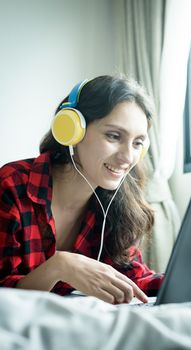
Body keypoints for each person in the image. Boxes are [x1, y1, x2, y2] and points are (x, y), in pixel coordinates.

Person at [0, 74, 164, 304]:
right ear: (71, 131)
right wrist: (60, 266)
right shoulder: (11, 185)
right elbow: (4, 295)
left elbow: (134, 278)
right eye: (114, 136)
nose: (128, 157)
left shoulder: (119, 203)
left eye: (137, 143)